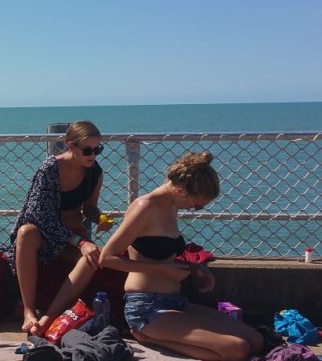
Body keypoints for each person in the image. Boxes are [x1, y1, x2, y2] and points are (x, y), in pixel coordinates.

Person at [99, 151, 263, 361]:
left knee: (256, 341)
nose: (195, 209)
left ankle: (154, 335)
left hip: (176, 302)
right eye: (196, 205)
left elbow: (162, 255)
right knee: (237, 349)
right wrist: (162, 270)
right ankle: (146, 336)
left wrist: (195, 269)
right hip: (147, 308)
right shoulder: (145, 207)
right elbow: (107, 257)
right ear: (180, 190)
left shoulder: (171, 206)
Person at [5, 120, 120, 336]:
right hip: (46, 235)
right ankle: (29, 312)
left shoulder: (95, 173)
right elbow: (40, 217)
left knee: (91, 259)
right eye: (87, 149)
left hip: (72, 236)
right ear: (70, 145)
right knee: (26, 232)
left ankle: (48, 317)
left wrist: (99, 217)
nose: (93, 155)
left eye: (98, 149)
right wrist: (81, 242)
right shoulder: (50, 169)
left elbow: (89, 208)